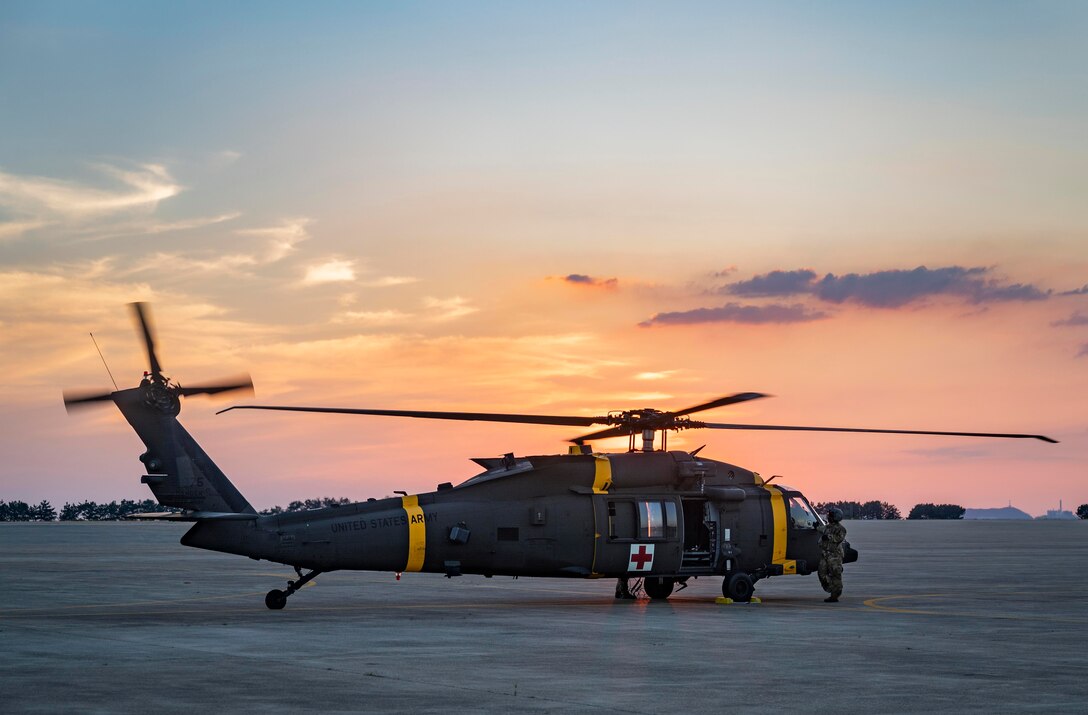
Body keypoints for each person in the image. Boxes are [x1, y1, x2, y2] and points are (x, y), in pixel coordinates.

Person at [816, 507, 847, 602]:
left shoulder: (841, 529)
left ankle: (835, 595)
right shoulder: (828, 527)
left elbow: (839, 538)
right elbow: (821, 529)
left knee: (835, 574)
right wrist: (815, 526)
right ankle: (831, 587)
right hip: (825, 554)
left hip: (834, 555)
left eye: (830, 515)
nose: (828, 516)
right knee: (821, 573)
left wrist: (828, 537)